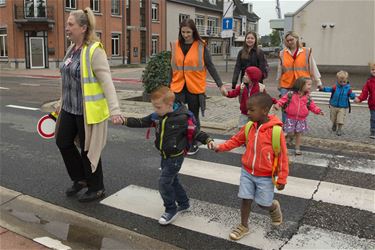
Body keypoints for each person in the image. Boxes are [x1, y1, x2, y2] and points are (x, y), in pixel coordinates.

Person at [55, 8, 123, 202]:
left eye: (70, 24)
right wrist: (61, 102)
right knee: (63, 142)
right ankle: (80, 179)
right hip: (69, 108)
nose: (66, 28)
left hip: (87, 111)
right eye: (67, 24)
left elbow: (106, 82)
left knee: (88, 149)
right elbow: (68, 80)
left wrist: (115, 110)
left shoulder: (94, 50)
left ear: (83, 27)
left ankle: (97, 187)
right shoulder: (71, 49)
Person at [122, 86, 215, 225]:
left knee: (164, 183)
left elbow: (196, 132)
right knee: (173, 180)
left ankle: (170, 209)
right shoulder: (157, 116)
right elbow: (141, 122)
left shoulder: (182, 118)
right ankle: (184, 203)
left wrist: (208, 139)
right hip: (165, 155)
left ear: (169, 104)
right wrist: (124, 120)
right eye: (154, 107)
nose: (155, 110)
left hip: (176, 157)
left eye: (158, 107)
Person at [211, 93, 289, 241]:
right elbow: (235, 141)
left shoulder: (276, 131)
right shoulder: (249, 127)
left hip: (265, 176)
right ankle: (243, 225)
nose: (248, 113)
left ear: (264, 110)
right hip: (247, 171)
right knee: (245, 198)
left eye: (252, 110)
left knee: (263, 203)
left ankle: (273, 207)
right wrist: (220, 147)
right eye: (248, 109)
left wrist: (282, 178)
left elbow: (283, 157)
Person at [169, 18, 227, 155]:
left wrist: (220, 85)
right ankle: (180, 141)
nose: (185, 35)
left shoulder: (201, 46)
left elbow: (211, 66)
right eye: (183, 32)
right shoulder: (175, 45)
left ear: (194, 31)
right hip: (178, 86)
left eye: (188, 32)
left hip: (195, 87)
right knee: (177, 116)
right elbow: (171, 68)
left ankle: (193, 143)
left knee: (193, 117)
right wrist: (167, 86)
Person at [276, 31, 322, 123]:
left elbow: (313, 66)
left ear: (296, 39)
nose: (289, 42)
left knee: (300, 106)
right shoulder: (282, 53)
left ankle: (298, 127)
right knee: (285, 106)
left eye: (291, 39)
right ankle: (287, 128)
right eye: (287, 40)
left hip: (302, 84)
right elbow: (280, 69)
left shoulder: (306, 51)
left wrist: (318, 81)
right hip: (286, 83)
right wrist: (278, 83)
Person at [275, 77, 324, 155]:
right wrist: (278, 104)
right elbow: (282, 100)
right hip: (290, 118)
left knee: (298, 134)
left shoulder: (307, 97)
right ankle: (287, 141)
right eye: (308, 84)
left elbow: (312, 106)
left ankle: (297, 148)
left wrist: (318, 111)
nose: (310, 86)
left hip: (301, 119)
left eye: (310, 84)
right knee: (289, 133)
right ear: (301, 85)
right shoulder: (291, 94)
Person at [318, 71, 356, 136]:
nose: (342, 83)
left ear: (346, 80)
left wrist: (353, 96)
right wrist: (322, 89)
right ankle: (334, 124)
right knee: (333, 118)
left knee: (340, 119)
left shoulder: (348, 89)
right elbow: (329, 89)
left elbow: (351, 96)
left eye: (344, 82)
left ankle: (339, 129)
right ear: (337, 80)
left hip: (342, 107)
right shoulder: (335, 87)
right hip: (333, 105)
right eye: (340, 82)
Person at [354, 63, 375, 139]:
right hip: (373, 104)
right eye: (373, 69)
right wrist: (359, 98)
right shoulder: (369, 81)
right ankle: (373, 131)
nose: (374, 71)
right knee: (373, 118)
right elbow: (365, 92)